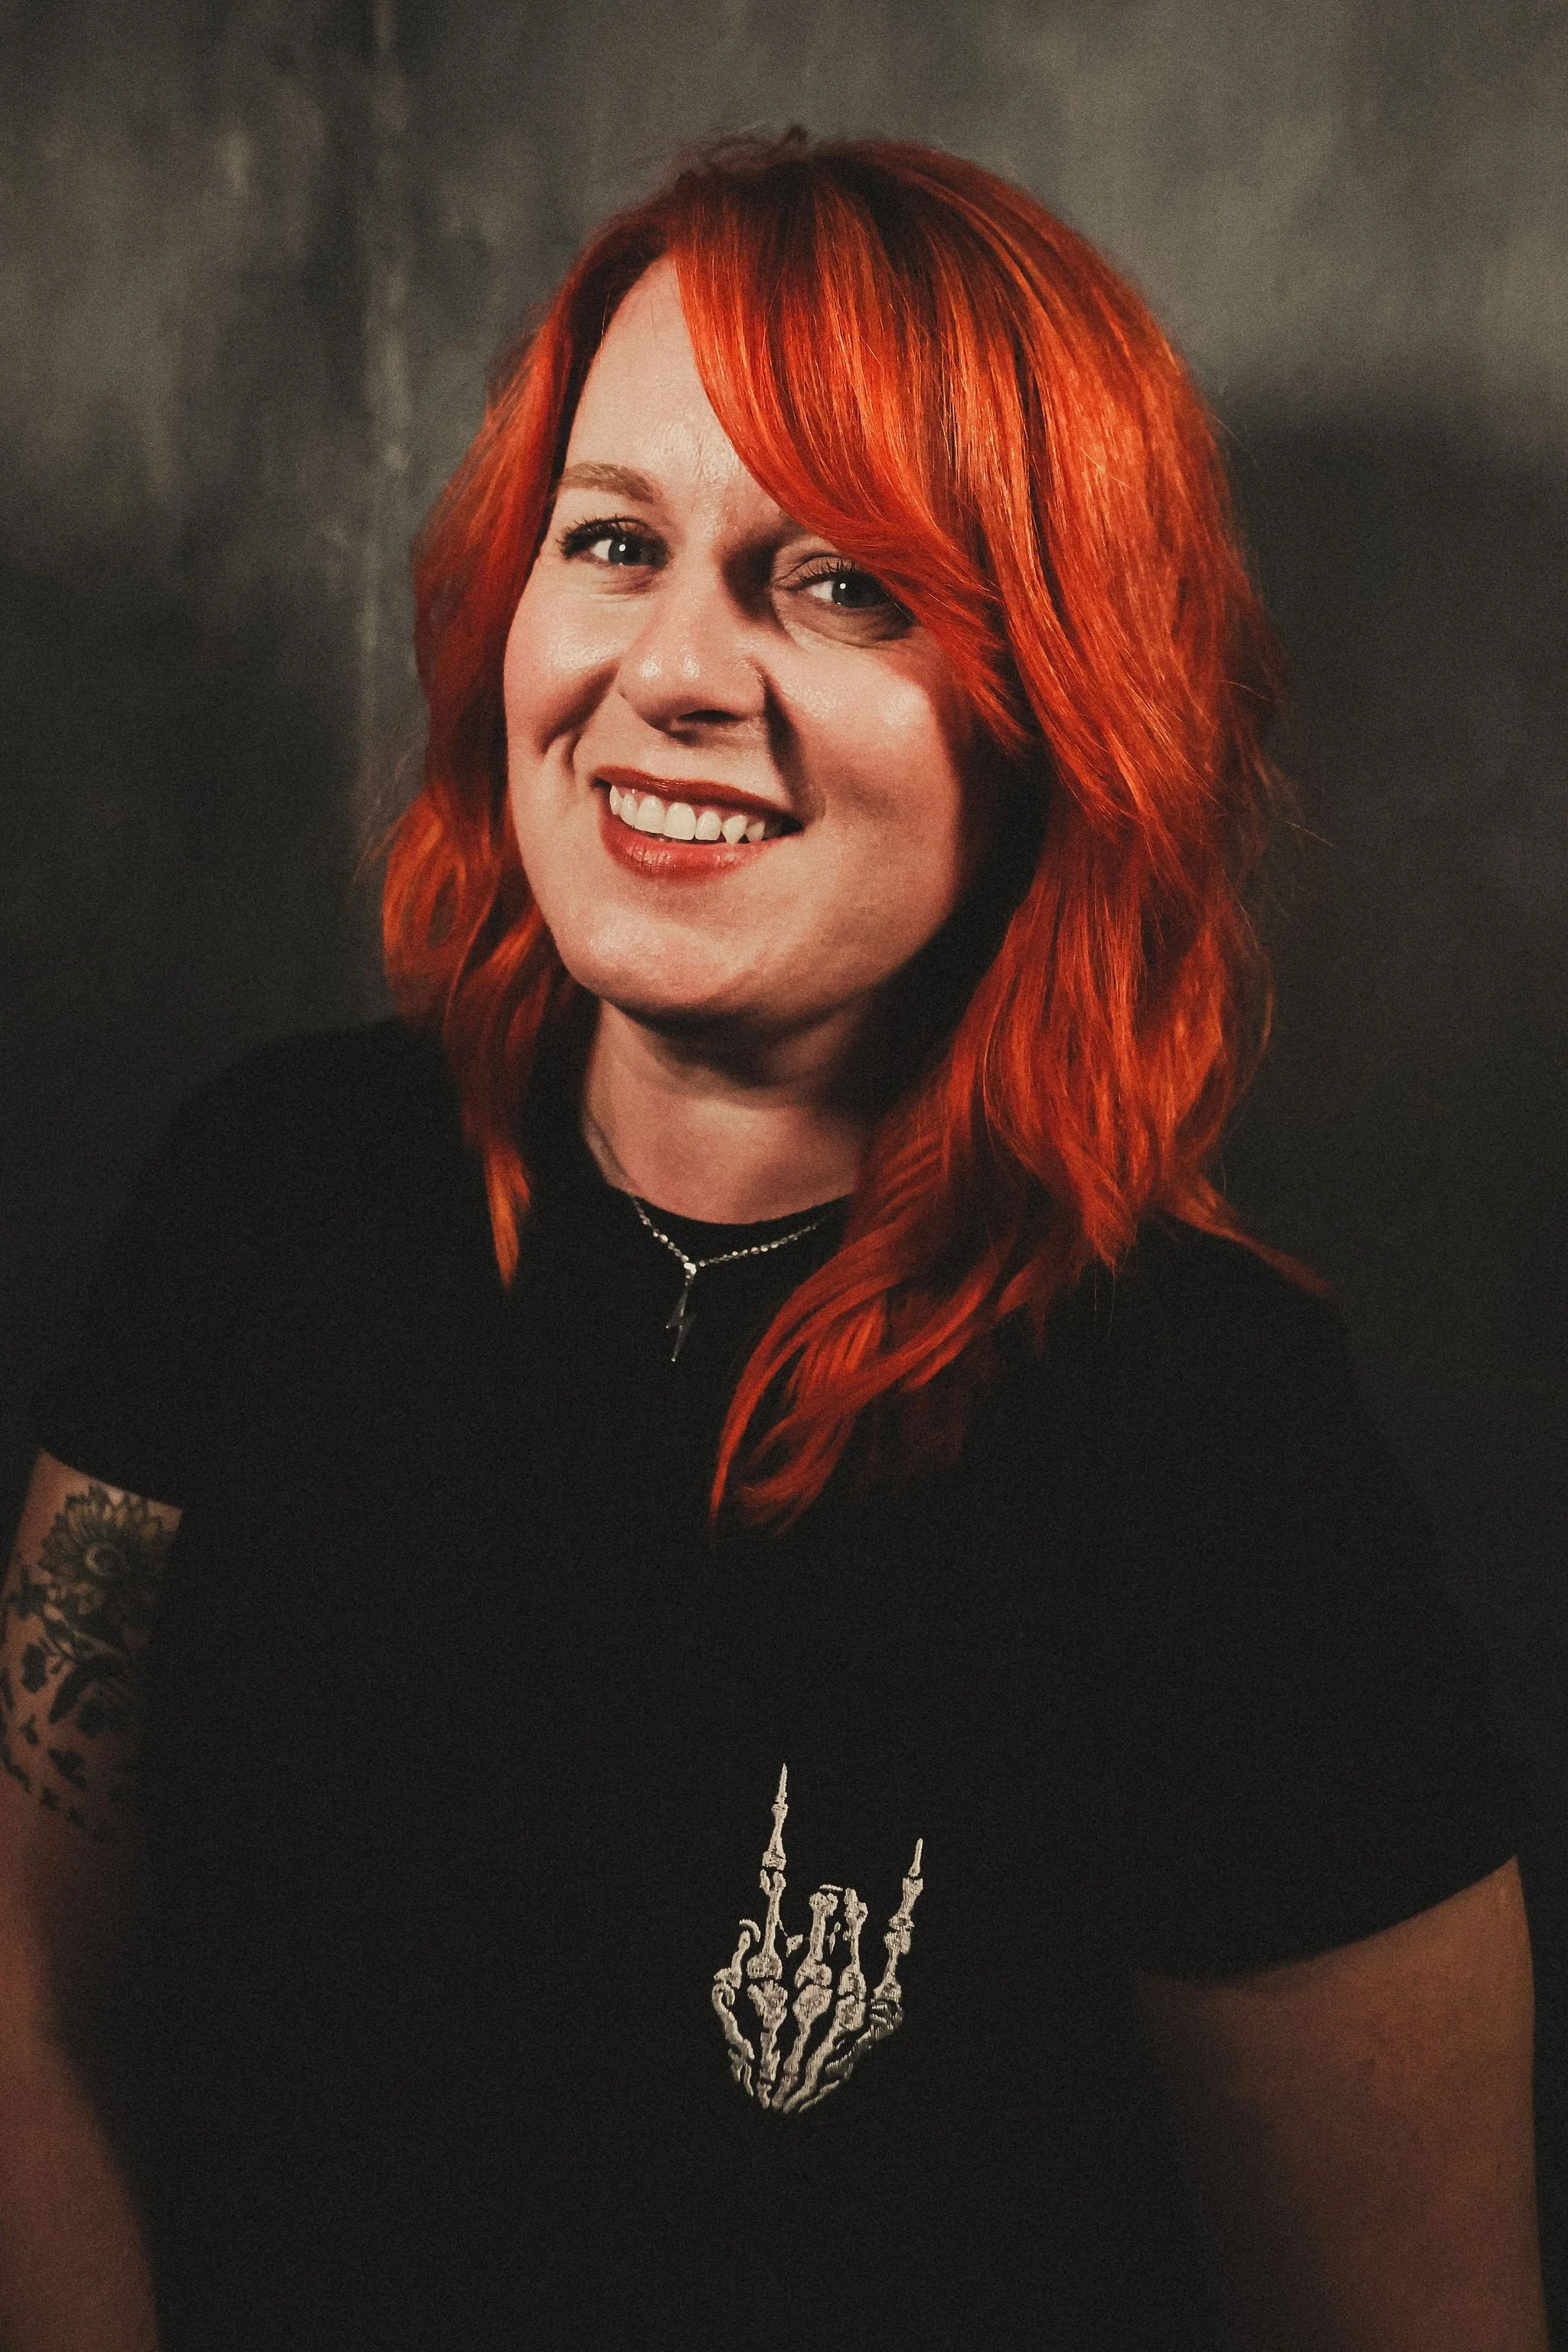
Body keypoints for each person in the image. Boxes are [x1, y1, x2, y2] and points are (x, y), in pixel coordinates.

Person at [0, 132, 1548, 2352]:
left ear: (1058, 710)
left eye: (842, 587)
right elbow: (33, 2013)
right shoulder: (270, 1199)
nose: (675, 672)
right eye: (614, 542)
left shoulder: (1216, 1466)